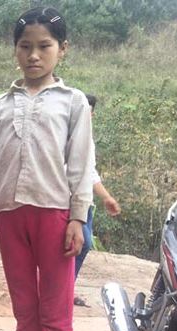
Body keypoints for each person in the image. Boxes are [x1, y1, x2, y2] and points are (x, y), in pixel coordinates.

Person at [0, 7, 95, 331]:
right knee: (25, 311)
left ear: (62, 49)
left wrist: (77, 218)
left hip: (54, 215)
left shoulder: (73, 102)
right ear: (15, 50)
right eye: (25, 46)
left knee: (55, 313)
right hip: (9, 216)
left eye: (44, 46)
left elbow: (81, 164)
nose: (33, 55)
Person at [74, 95, 121, 303]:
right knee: (81, 243)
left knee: (82, 245)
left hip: (85, 202)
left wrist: (106, 197)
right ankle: (60, 290)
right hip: (70, 201)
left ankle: (66, 288)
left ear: (92, 114)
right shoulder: (68, 135)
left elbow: (90, 173)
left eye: (88, 110)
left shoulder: (88, 139)